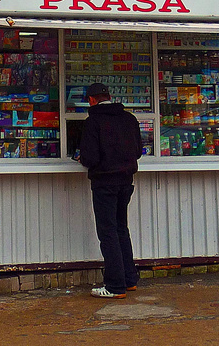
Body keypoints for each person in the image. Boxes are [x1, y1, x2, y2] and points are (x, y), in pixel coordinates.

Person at [78, 82, 143, 299]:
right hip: (126, 181)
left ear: (91, 100)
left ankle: (115, 286)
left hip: (104, 183)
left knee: (108, 232)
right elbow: (138, 151)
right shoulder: (129, 119)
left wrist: (81, 158)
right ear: (109, 96)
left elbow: (90, 158)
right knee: (121, 229)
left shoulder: (93, 122)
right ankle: (129, 279)